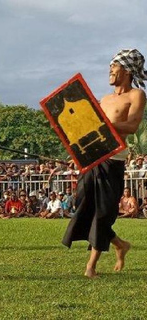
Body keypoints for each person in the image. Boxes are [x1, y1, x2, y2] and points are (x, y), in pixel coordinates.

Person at [62, 49, 147, 278]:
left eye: (114, 66)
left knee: (103, 212)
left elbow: (131, 127)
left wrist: (100, 123)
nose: (110, 70)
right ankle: (120, 244)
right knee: (85, 206)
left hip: (114, 159)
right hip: (92, 158)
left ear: (127, 70)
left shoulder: (136, 95)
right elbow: (90, 131)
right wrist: (77, 152)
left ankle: (90, 266)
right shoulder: (105, 99)